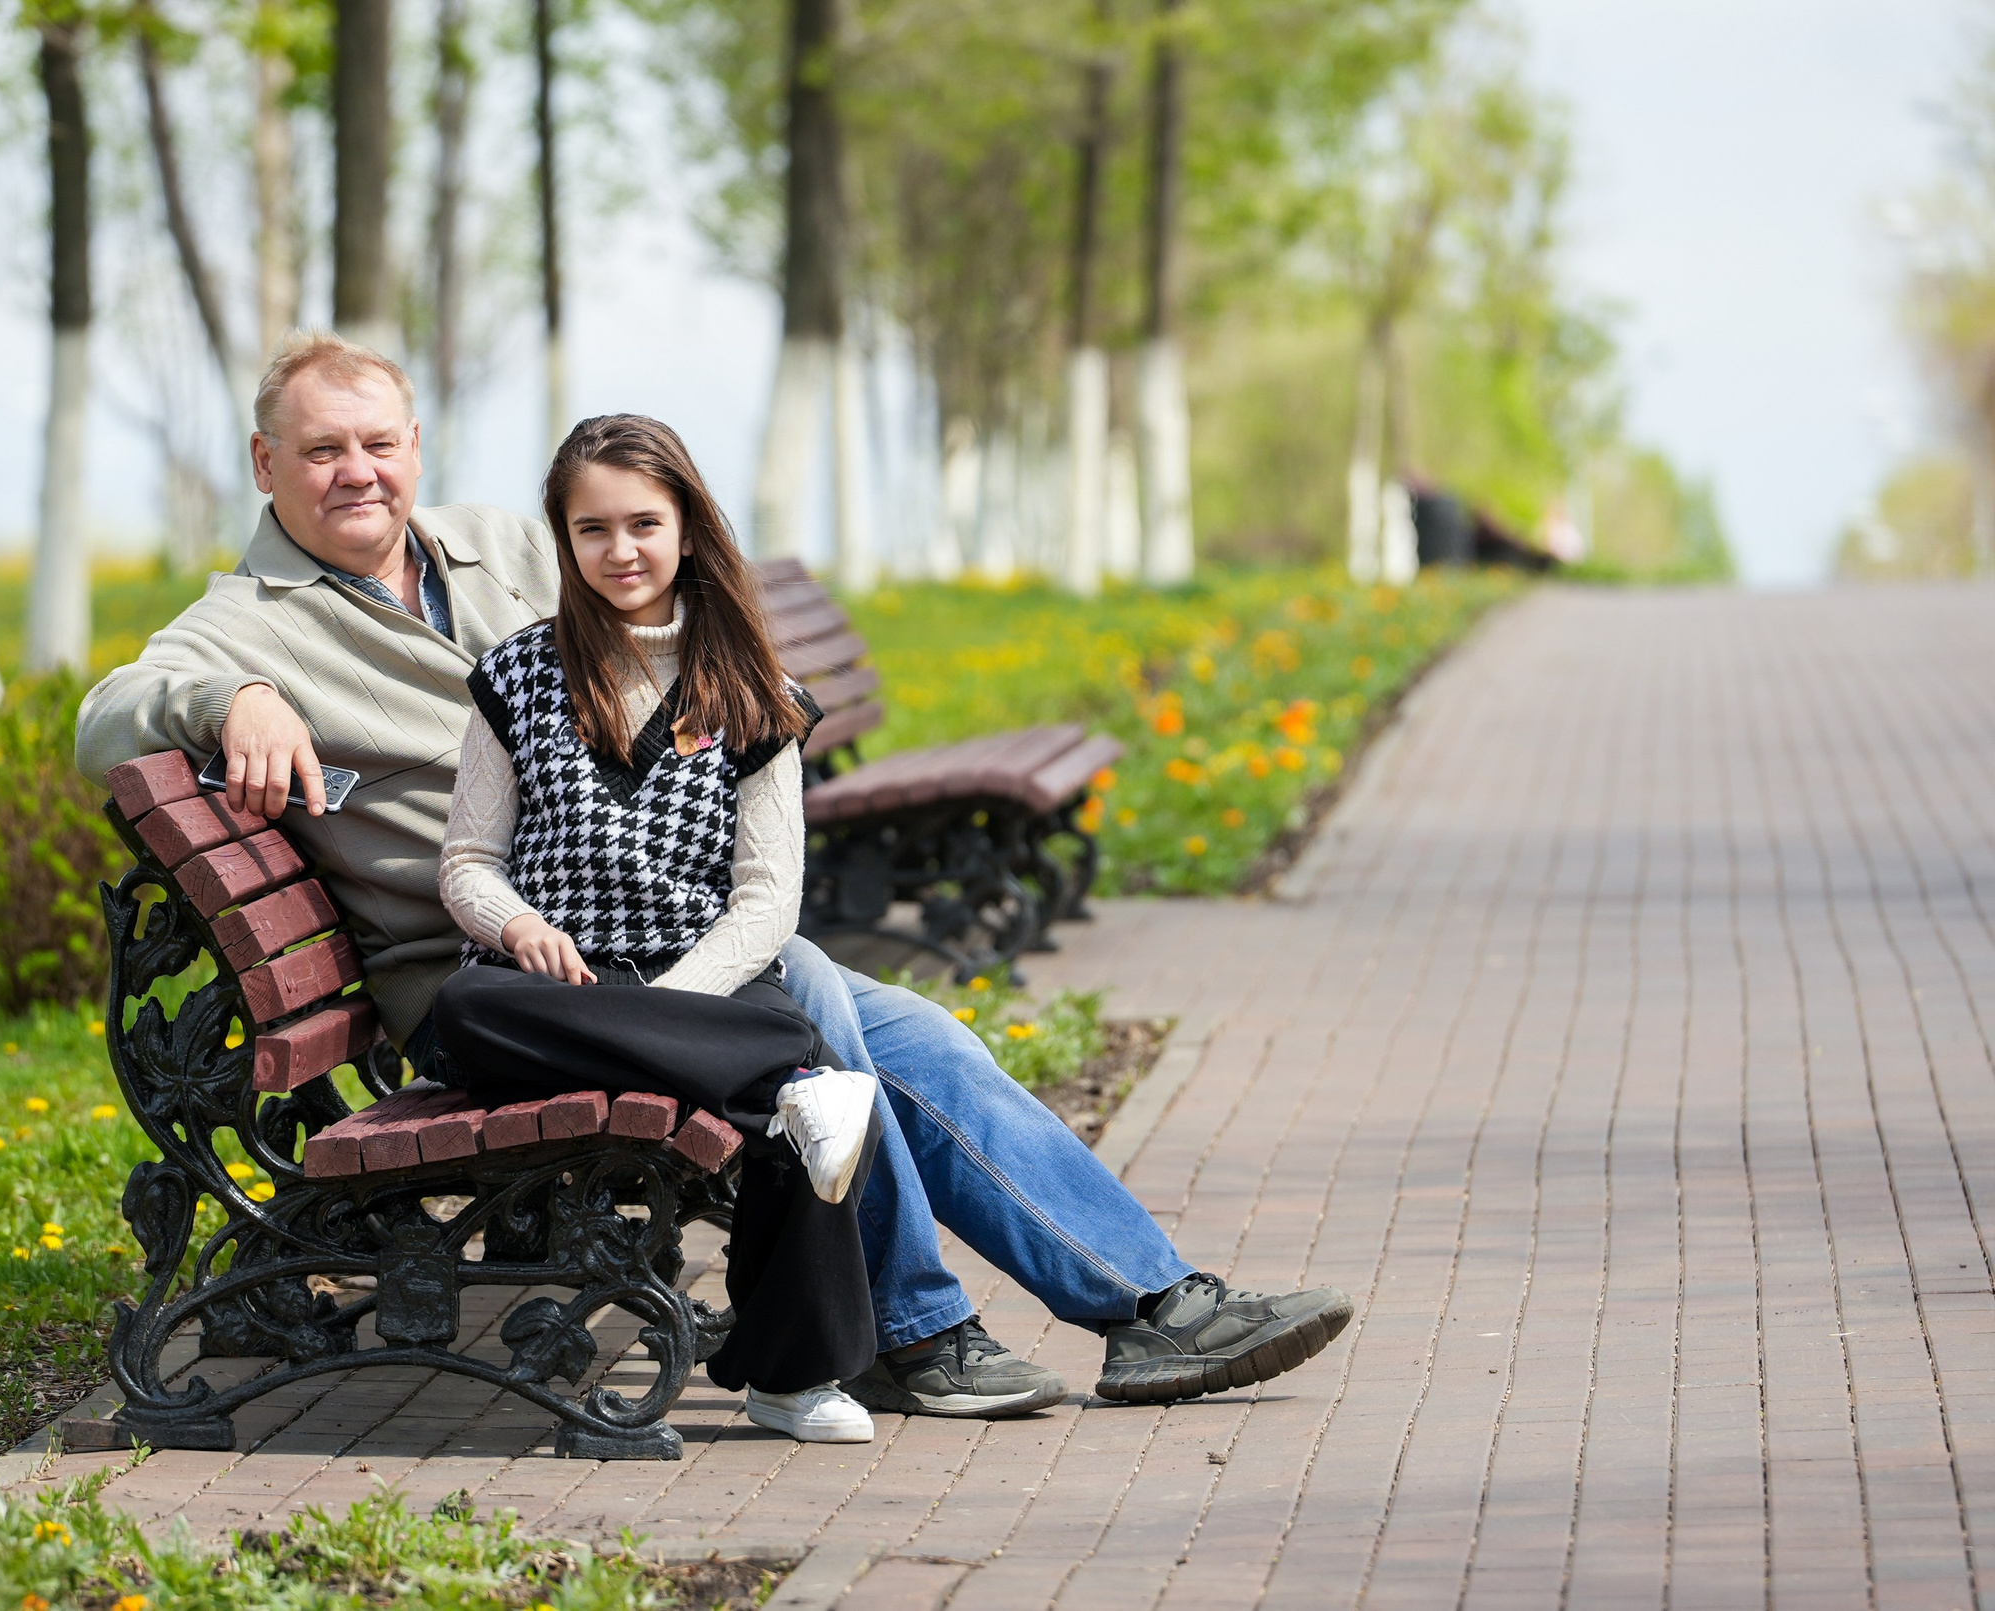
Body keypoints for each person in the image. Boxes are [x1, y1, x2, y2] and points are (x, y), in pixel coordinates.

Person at [75, 330, 1353, 1414]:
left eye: (378, 442)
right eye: (321, 451)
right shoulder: (246, 618)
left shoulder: (499, 548)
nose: (357, 471)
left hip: (666, 932)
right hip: (506, 986)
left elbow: (656, 605)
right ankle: (926, 1332)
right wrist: (234, 696)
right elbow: (104, 715)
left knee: (919, 1038)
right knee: (819, 1009)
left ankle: (1148, 1307)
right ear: (266, 465)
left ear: (414, 444)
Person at [431, 413, 881, 1442]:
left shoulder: (758, 697)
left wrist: (671, 1011)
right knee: (465, 1004)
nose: (620, 550)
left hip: (699, 985)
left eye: (643, 524)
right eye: (592, 529)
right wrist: (514, 925)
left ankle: (791, 1381)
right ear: (563, 539)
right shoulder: (517, 676)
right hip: (549, 997)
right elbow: (466, 863)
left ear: (687, 528)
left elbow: (765, 899)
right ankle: (776, 1071)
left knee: (793, 1072)